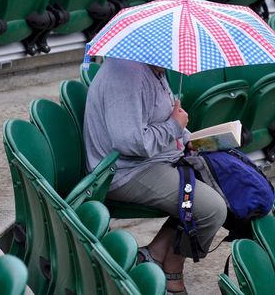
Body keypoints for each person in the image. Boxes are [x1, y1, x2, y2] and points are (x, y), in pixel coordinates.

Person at [83, 58, 227, 295]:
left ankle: (154, 255)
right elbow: (130, 142)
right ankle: (173, 268)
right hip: (125, 172)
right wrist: (174, 126)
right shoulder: (126, 74)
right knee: (212, 209)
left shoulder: (152, 68)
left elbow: (160, 119)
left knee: (222, 185)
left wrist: (189, 138)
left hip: (155, 161)